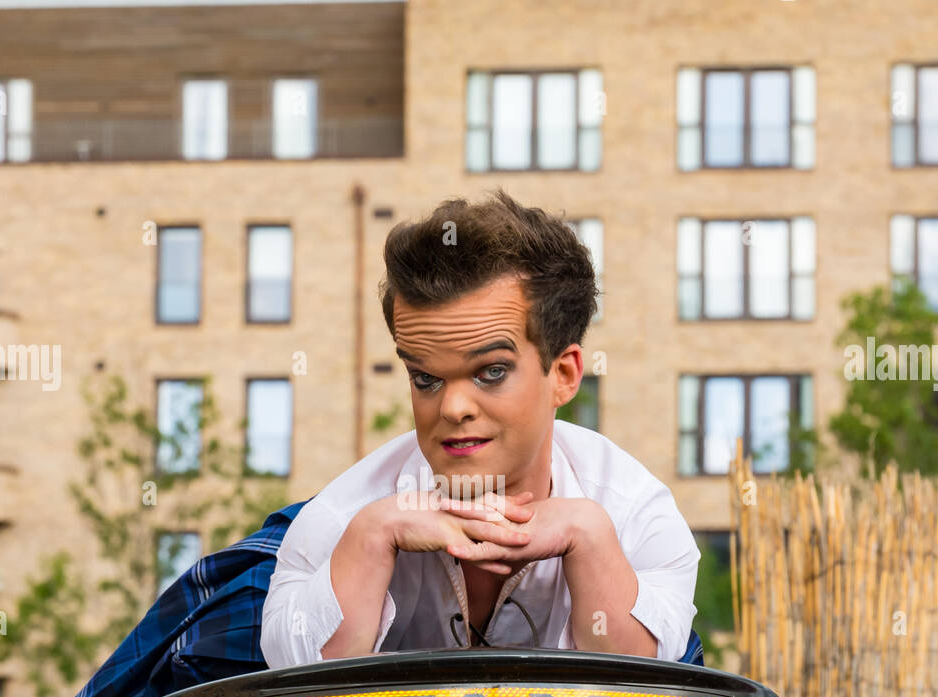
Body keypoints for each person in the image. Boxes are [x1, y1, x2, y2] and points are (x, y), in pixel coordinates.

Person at [261, 189, 699, 668]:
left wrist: (588, 535)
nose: (451, 407)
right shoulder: (342, 515)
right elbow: (294, 677)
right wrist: (373, 535)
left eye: (491, 371)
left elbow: (644, 690)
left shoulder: (635, 512)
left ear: (566, 375)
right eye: (424, 378)